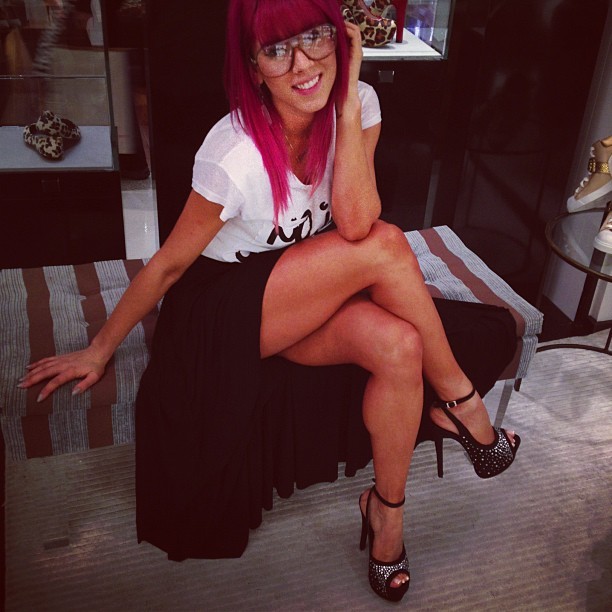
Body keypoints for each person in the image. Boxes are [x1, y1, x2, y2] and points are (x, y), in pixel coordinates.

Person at [18, 0, 520, 602]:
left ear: (341, 41)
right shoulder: (234, 153)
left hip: (301, 288)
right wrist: (99, 349)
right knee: (388, 248)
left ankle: (386, 512)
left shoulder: (360, 107)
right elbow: (171, 263)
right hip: (223, 307)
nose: (302, 64)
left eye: (316, 38)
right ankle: (463, 406)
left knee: (400, 344)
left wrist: (348, 101)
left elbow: (354, 219)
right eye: (277, 50)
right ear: (254, 68)